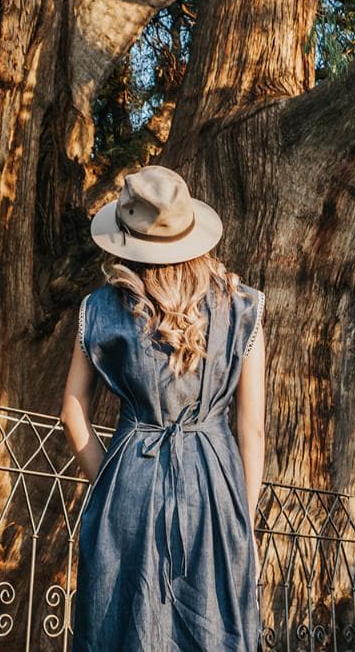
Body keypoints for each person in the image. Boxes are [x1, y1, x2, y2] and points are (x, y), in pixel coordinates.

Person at [60, 164, 267, 651]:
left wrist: (110, 479)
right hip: (216, 491)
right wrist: (242, 517)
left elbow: (73, 410)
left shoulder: (100, 307)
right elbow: (251, 429)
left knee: (122, 625)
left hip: (130, 478)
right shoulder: (245, 306)